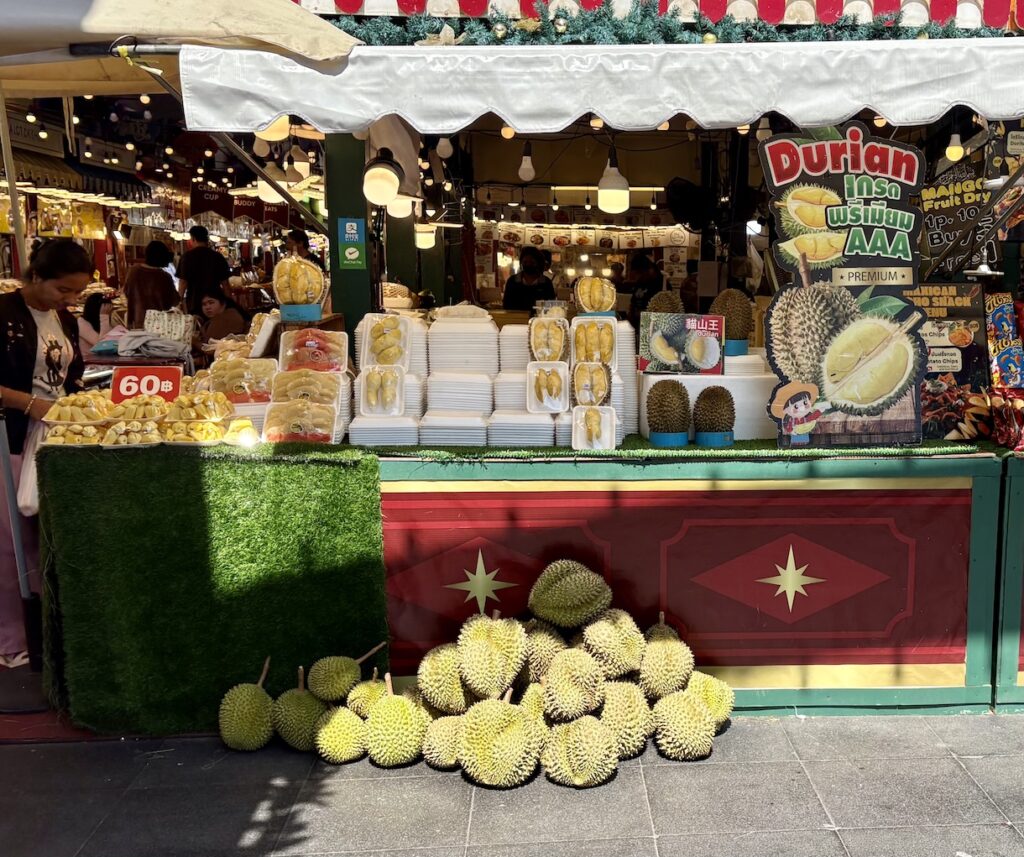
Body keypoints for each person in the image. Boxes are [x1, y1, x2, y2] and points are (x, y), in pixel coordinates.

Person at [0, 239, 91, 660]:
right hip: (11, 438)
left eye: (77, 293)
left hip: (56, 438)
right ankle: (14, 642)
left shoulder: (65, 321)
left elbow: (70, 376)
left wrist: (80, 404)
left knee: (45, 536)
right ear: (36, 276)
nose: (70, 300)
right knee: (10, 541)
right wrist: (33, 404)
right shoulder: (2, 314)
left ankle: (50, 633)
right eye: (63, 290)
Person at [124, 240, 179, 329]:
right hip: (157, 326)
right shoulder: (164, 277)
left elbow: (127, 292)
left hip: (135, 323)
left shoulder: (133, 271)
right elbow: (172, 302)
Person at [177, 225, 230, 316]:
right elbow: (225, 285)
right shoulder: (217, 257)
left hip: (195, 302)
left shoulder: (187, 257)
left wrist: (178, 302)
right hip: (215, 303)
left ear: (193, 238)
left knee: (197, 327)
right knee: (214, 327)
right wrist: (229, 304)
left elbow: (183, 283)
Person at [502, 246, 555, 311]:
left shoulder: (546, 283)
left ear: (538, 263)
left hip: (540, 319)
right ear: (521, 263)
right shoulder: (512, 281)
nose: (528, 265)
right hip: (516, 319)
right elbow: (506, 305)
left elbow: (551, 307)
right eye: (525, 262)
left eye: (532, 262)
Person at [627, 253, 666, 327]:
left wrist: (643, 313)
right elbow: (633, 303)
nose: (637, 277)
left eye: (639, 273)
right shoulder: (640, 282)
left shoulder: (662, 284)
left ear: (649, 270)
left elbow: (664, 310)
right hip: (637, 325)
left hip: (653, 327)